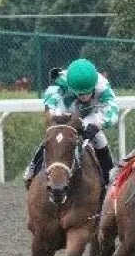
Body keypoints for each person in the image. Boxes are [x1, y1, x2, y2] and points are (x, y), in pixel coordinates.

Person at [23, 58, 118, 189]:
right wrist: (51, 113)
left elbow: (112, 110)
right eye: (80, 93)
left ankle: (110, 178)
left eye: (87, 92)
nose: (84, 96)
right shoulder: (63, 80)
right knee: (54, 135)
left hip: (90, 115)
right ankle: (33, 168)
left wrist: (98, 125)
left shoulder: (102, 85)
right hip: (66, 111)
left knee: (99, 138)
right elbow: (51, 96)